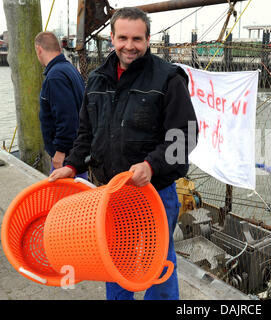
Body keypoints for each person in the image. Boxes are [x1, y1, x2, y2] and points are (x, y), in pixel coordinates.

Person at [48, 7, 198, 300]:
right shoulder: (97, 80)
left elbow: (186, 135)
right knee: (113, 258)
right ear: (112, 38)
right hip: (111, 193)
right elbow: (86, 133)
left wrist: (152, 165)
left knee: (159, 263)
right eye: (123, 38)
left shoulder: (169, 79)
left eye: (137, 39)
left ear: (148, 39)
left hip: (154, 192)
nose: (130, 46)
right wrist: (72, 164)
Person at [34, 32, 87, 178]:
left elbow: (67, 117)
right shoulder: (70, 70)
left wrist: (60, 151)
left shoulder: (55, 77)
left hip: (65, 159)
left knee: (64, 198)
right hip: (76, 155)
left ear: (39, 50)